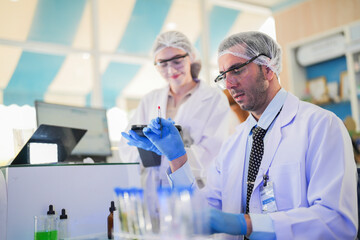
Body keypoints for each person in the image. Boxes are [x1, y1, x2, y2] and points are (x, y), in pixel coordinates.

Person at [123, 31, 358, 239]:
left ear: (267, 68)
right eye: (223, 75)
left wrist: (246, 224)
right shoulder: (235, 142)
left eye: (236, 70)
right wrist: (177, 157)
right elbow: (204, 209)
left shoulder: (321, 126)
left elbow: (337, 222)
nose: (229, 83)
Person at [119, 31, 230, 190]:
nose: (171, 70)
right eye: (163, 64)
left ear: (190, 57)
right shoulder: (150, 99)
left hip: (197, 189)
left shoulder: (213, 98)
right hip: (154, 190)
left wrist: (170, 152)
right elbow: (127, 148)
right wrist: (147, 150)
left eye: (177, 61)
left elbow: (213, 153)